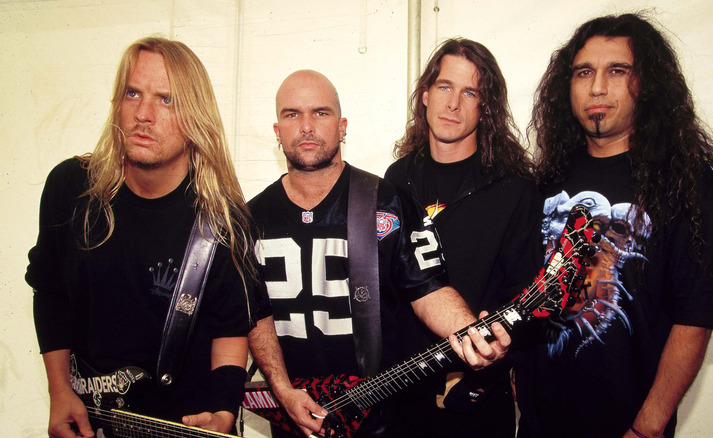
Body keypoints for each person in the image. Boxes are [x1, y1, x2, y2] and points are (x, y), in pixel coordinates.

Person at [514, 13, 713, 438]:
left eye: (617, 71)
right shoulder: (545, 180)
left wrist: (648, 427)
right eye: (584, 72)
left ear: (646, 83)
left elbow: (695, 317)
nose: (597, 87)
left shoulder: (685, 182)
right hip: (540, 424)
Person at [246, 69, 512, 438]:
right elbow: (255, 316)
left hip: (385, 421)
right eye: (292, 114)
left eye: (320, 113)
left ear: (342, 127)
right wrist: (282, 390)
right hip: (295, 417)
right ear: (277, 131)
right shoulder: (250, 219)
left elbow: (428, 290)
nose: (306, 126)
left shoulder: (386, 200)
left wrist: (472, 336)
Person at [27, 37, 270, 437]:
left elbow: (229, 330)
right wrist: (59, 391)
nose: (143, 114)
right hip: (90, 421)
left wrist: (223, 412)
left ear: (196, 116)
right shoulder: (70, 187)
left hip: (179, 426)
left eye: (166, 100)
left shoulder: (223, 220)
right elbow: (50, 291)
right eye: (133, 93)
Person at [384, 38, 542, 438]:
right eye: (444, 86)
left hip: (476, 400)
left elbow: (526, 300)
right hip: (401, 395)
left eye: (470, 92)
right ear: (425, 95)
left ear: (485, 108)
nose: (453, 103)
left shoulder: (514, 188)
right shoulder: (396, 179)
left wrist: (482, 373)